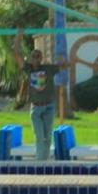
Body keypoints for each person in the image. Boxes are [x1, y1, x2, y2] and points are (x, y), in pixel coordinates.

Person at [14, 30, 65, 161]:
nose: (36, 59)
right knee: (39, 136)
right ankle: (39, 162)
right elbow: (17, 53)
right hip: (36, 108)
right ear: (31, 58)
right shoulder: (28, 69)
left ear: (41, 58)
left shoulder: (48, 68)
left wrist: (61, 58)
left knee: (47, 137)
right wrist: (19, 36)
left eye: (38, 56)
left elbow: (63, 65)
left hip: (49, 107)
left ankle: (44, 161)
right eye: (34, 56)